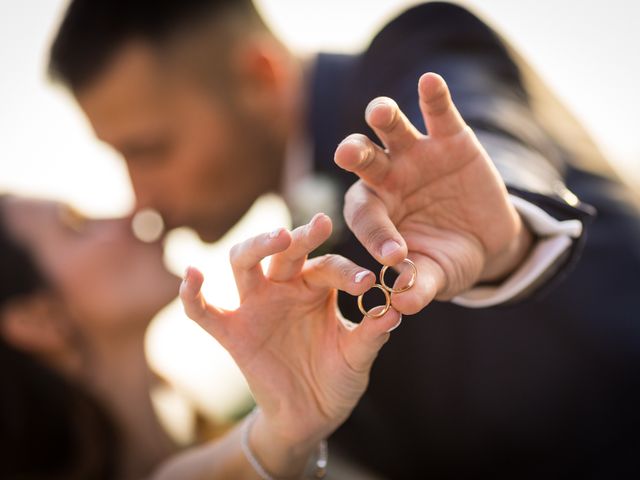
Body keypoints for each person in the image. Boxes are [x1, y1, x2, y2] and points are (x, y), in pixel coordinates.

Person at [48, 0, 640, 477]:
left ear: (260, 76)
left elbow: (485, 136)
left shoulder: (413, 60)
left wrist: (502, 235)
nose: (139, 197)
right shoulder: (295, 288)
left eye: (150, 151)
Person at [0, 194, 401, 479]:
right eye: (77, 225)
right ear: (37, 319)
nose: (132, 214)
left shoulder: (210, 434)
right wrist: (285, 432)